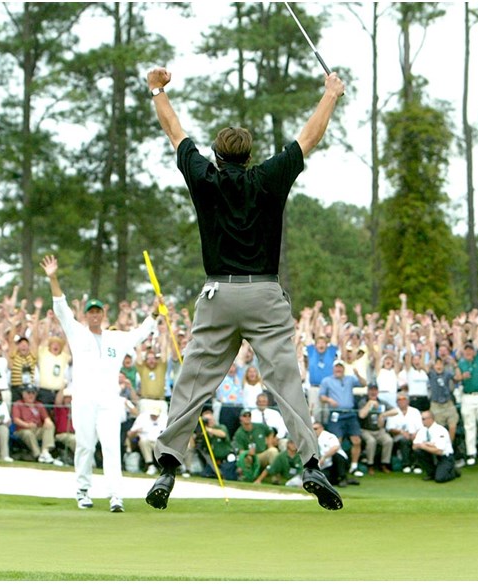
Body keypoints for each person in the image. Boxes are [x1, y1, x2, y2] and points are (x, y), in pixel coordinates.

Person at [143, 65, 346, 511]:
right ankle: (311, 462)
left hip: (218, 295)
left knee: (193, 382)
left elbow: (173, 128)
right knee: (286, 383)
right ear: (249, 154)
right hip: (264, 295)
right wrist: (331, 93)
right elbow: (308, 138)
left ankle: (168, 466)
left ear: (216, 154)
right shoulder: (269, 177)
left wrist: (157, 87)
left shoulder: (203, 175)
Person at [43, 254, 158, 513]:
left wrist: (154, 313)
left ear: (103, 314)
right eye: (91, 312)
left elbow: (140, 333)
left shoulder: (115, 339)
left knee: (110, 446)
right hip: (83, 399)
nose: (94, 315)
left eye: (98, 312)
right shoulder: (77, 333)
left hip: (108, 401)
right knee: (84, 445)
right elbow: (61, 307)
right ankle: (82, 491)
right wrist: (53, 278)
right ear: (86, 315)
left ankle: (115, 495)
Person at [319, 360, 364, 476]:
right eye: (336, 368)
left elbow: (364, 384)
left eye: (340, 368)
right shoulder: (327, 380)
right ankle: (335, 467)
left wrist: (358, 374)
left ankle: (354, 466)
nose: (338, 370)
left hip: (350, 413)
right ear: (333, 369)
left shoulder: (350, 379)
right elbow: (321, 396)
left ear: (343, 369)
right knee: (336, 442)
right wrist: (329, 400)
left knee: (357, 440)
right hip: (336, 414)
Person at [11, 386, 60, 465]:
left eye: (33, 393)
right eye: (28, 393)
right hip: (22, 430)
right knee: (27, 433)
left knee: (50, 426)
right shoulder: (18, 404)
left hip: (37, 429)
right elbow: (16, 420)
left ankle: (45, 451)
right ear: (23, 394)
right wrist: (27, 425)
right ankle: (38, 455)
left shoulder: (39, 405)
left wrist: (48, 421)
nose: (31, 395)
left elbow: (46, 418)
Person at [381, 391, 423, 473]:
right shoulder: (393, 412)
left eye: (404, 399)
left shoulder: (415, 411)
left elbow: (420, 427)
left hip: (414, 434)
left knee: (418, 440)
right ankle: (406, 464)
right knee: (404, 440)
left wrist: (415, 434)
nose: (401, 401)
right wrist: (401, 432)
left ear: (408, 401)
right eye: (399, 399)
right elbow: (390, 428)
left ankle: (417, 465)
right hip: (398, 436)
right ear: (396, 402)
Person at [412, 410, 459, 483]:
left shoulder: (440, 430)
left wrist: (424, 445)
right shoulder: (422, 430)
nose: (422, 421)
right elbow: (414, 446)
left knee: (440, 479)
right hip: (432, 454)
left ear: (430, 419)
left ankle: (453, 472)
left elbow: (439, 451)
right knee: (418, 452)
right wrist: (429, 444)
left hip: (444, 457)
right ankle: (431, 473)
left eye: (423, 419)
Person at [357, 383, 394, 474]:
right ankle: (370, 465)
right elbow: (361, 415)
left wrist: (383, 414)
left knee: (388, 440)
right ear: (368, 391)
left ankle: (384, 464)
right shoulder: (363, 402)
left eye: (375, 390)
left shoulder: (381, 402)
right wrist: (369, 404)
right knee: (371, 441)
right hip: (366, 430)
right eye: (371, 390)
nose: (373, 392)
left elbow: (395, 411)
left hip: (379, 430)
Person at [312, 420, 354, 488]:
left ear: (321, 428)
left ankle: (342, 478)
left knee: (336, 456)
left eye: (316, 429)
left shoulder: (328, 436)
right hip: (327, 465)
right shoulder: (313, 439)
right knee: (323, 479)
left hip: (339, 461)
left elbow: (335, 448)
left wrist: (324, 457)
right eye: (312, 429)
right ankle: (344, 480)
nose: (314, 431)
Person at [127, 406, 168, 475]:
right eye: (152, 415)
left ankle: (165, 467)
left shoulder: (165, 419)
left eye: (156, 415)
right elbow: (130, 433)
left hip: (160, 442)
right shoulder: (142, 418)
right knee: (143, 441)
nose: (154, 416)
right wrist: (136, 431)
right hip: (146, 441)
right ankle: (150, 465)